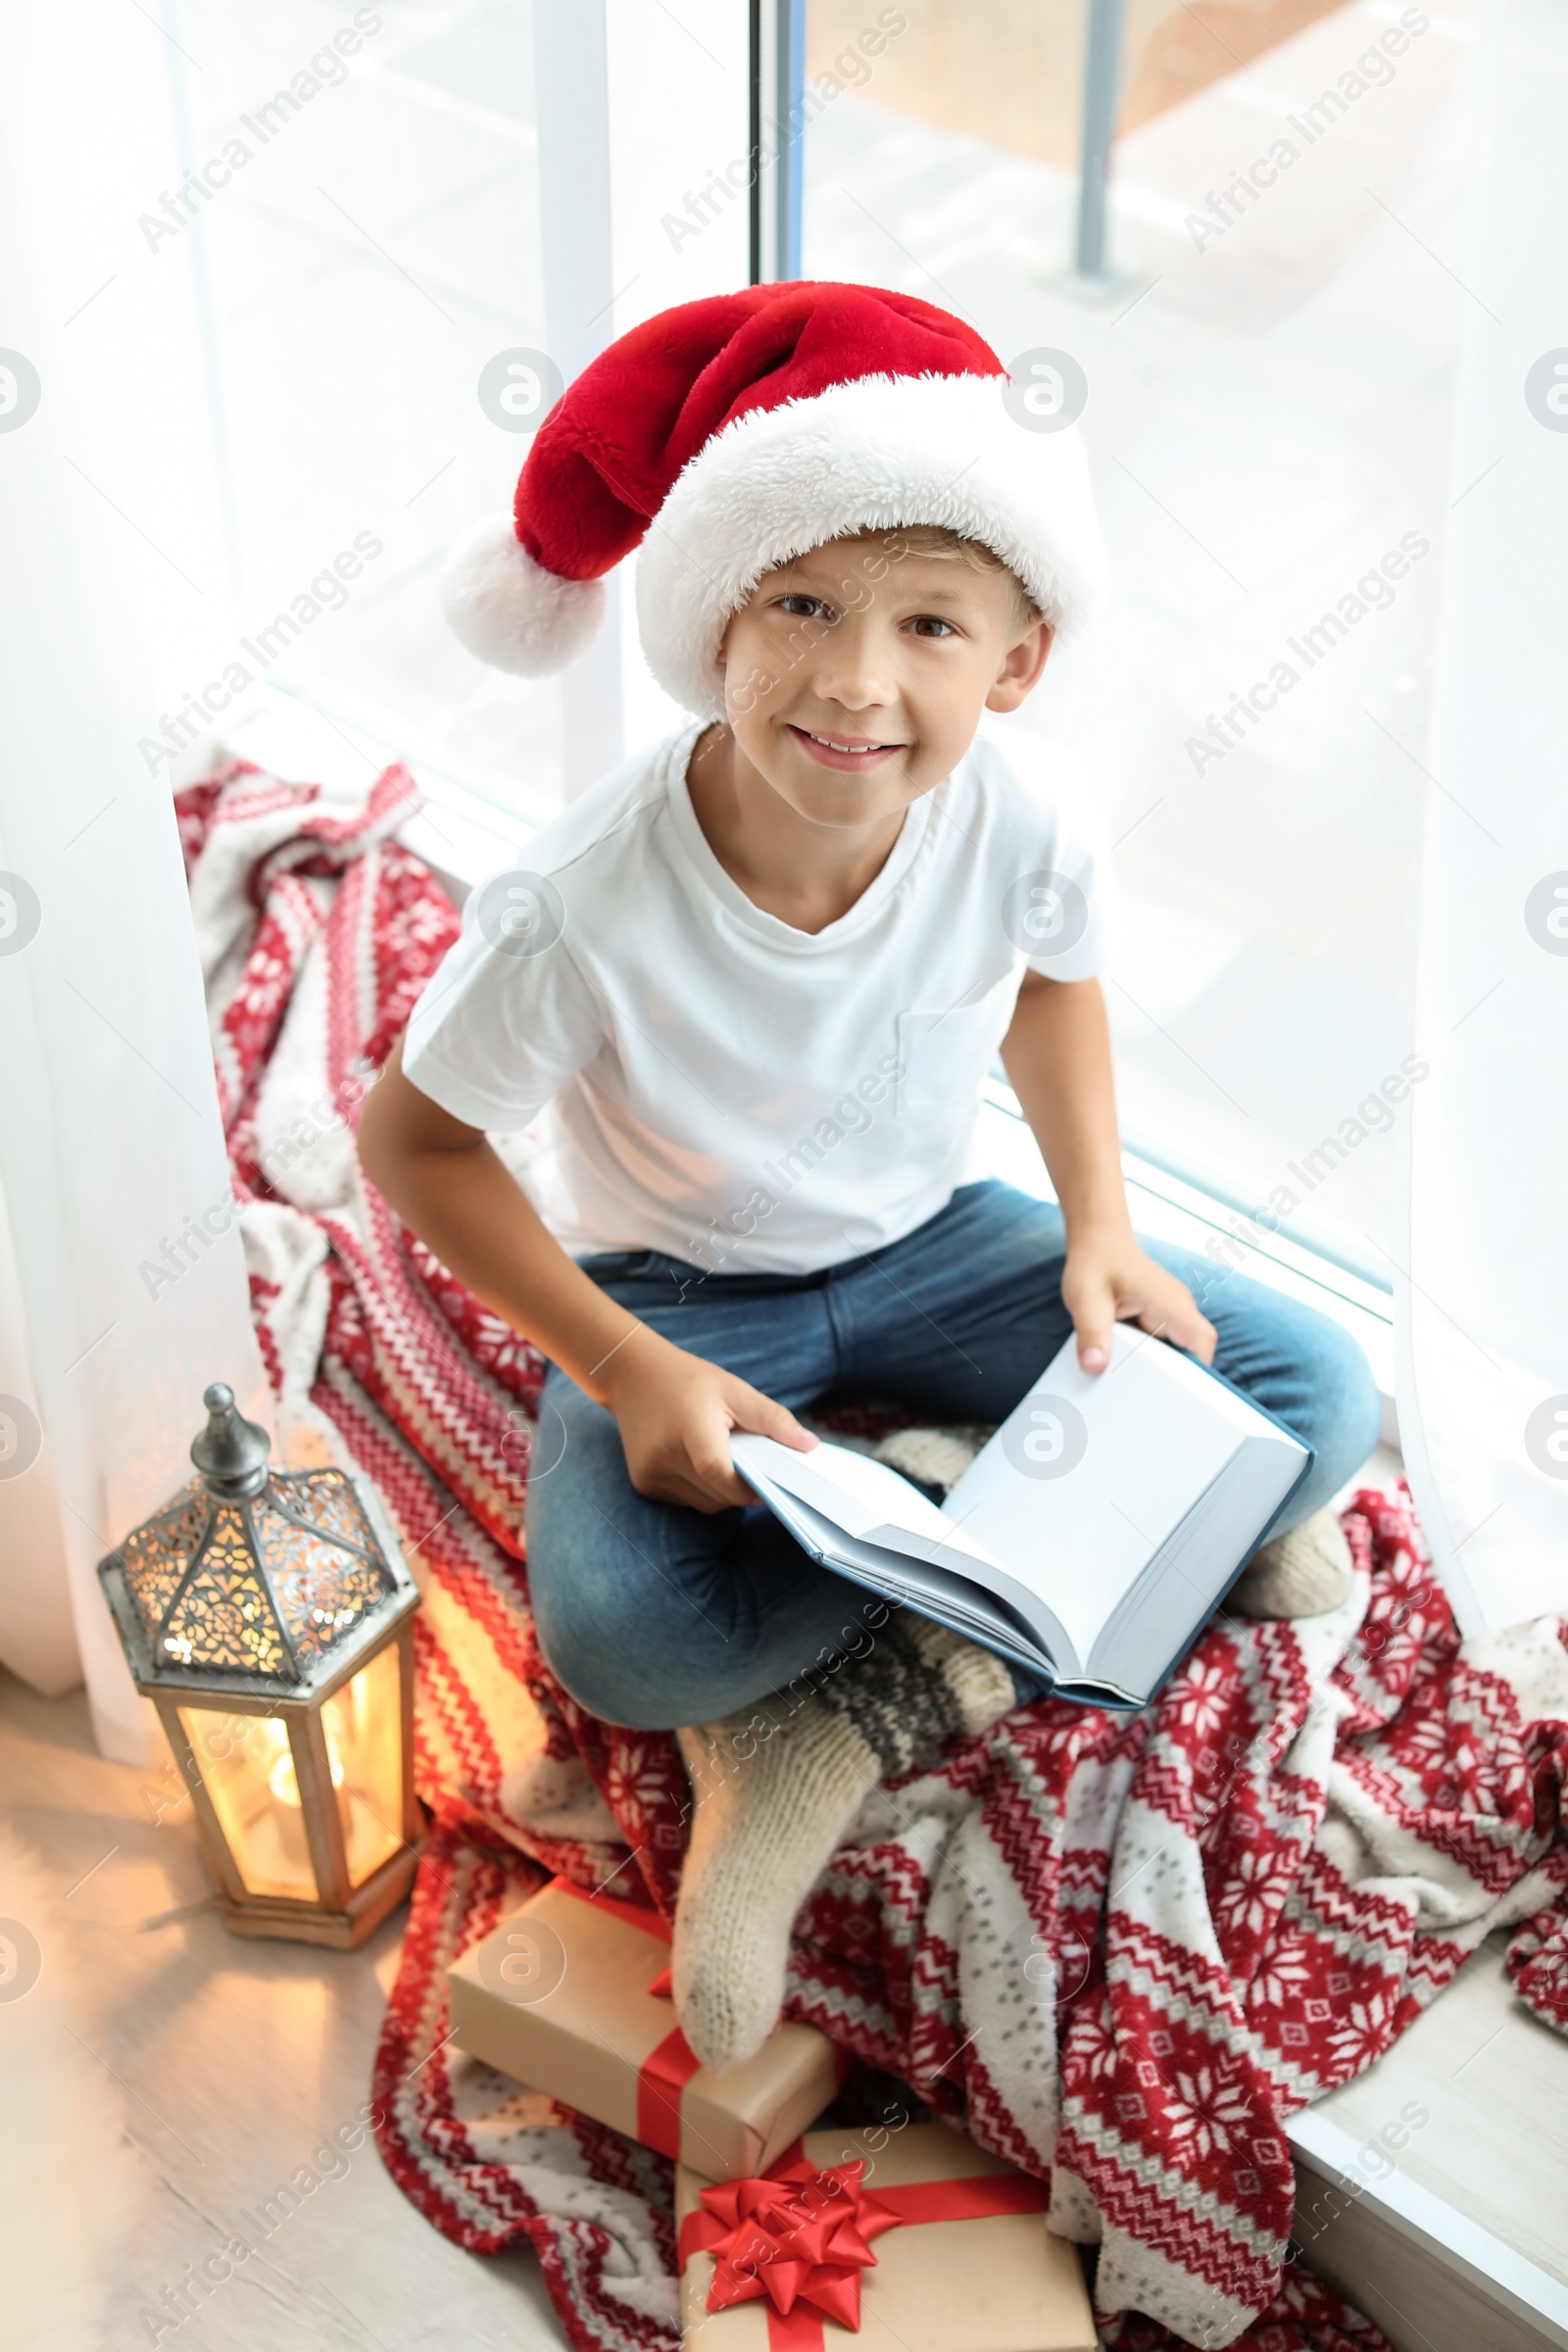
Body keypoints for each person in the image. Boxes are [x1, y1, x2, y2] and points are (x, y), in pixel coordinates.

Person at [357, 281, 1380, 2070]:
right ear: (714, 627)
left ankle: (880, 1612)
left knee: (1316, 1384)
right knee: (625, 1645)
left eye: (928, 624)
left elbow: (1056, 987)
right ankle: (866, 1650)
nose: (854, 679)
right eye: (802, 609)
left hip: (932, 1244)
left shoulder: (1026, 812)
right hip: (674, 1290)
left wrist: (1098, 1233)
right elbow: (412, 1142)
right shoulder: (580, 898)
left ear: (1015, 662)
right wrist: (626, 1367)